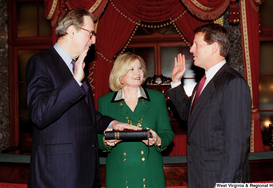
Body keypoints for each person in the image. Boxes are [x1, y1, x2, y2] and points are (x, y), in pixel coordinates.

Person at [25, 9, 140, 188]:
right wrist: (74, 82)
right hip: (58, 175)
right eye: (90, 33)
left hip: (85, 171)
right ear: (72, 31)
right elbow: (39, 114)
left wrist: (112, 124)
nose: (94, 40)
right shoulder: (41, 62)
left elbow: (83, 114)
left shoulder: (76, 66)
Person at [166, 23, 252, 187]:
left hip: (220, 178)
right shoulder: (204, 82)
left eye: (197, 44)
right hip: (201, 176)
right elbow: (187, 115)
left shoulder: (232, 83)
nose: (191, 49)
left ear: (214, 47)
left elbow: (236, 145)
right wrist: (176, 82)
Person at [97, 52, 175, 188]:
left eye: (140, 68)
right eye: (131, 69)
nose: (138, 72)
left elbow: (167, 134)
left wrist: (158, 140)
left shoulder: (157, 98)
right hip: (119, 175)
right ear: (120, 74)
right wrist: (106, 142)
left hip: (150, 174)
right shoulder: (105, 102)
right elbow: (96, 139)